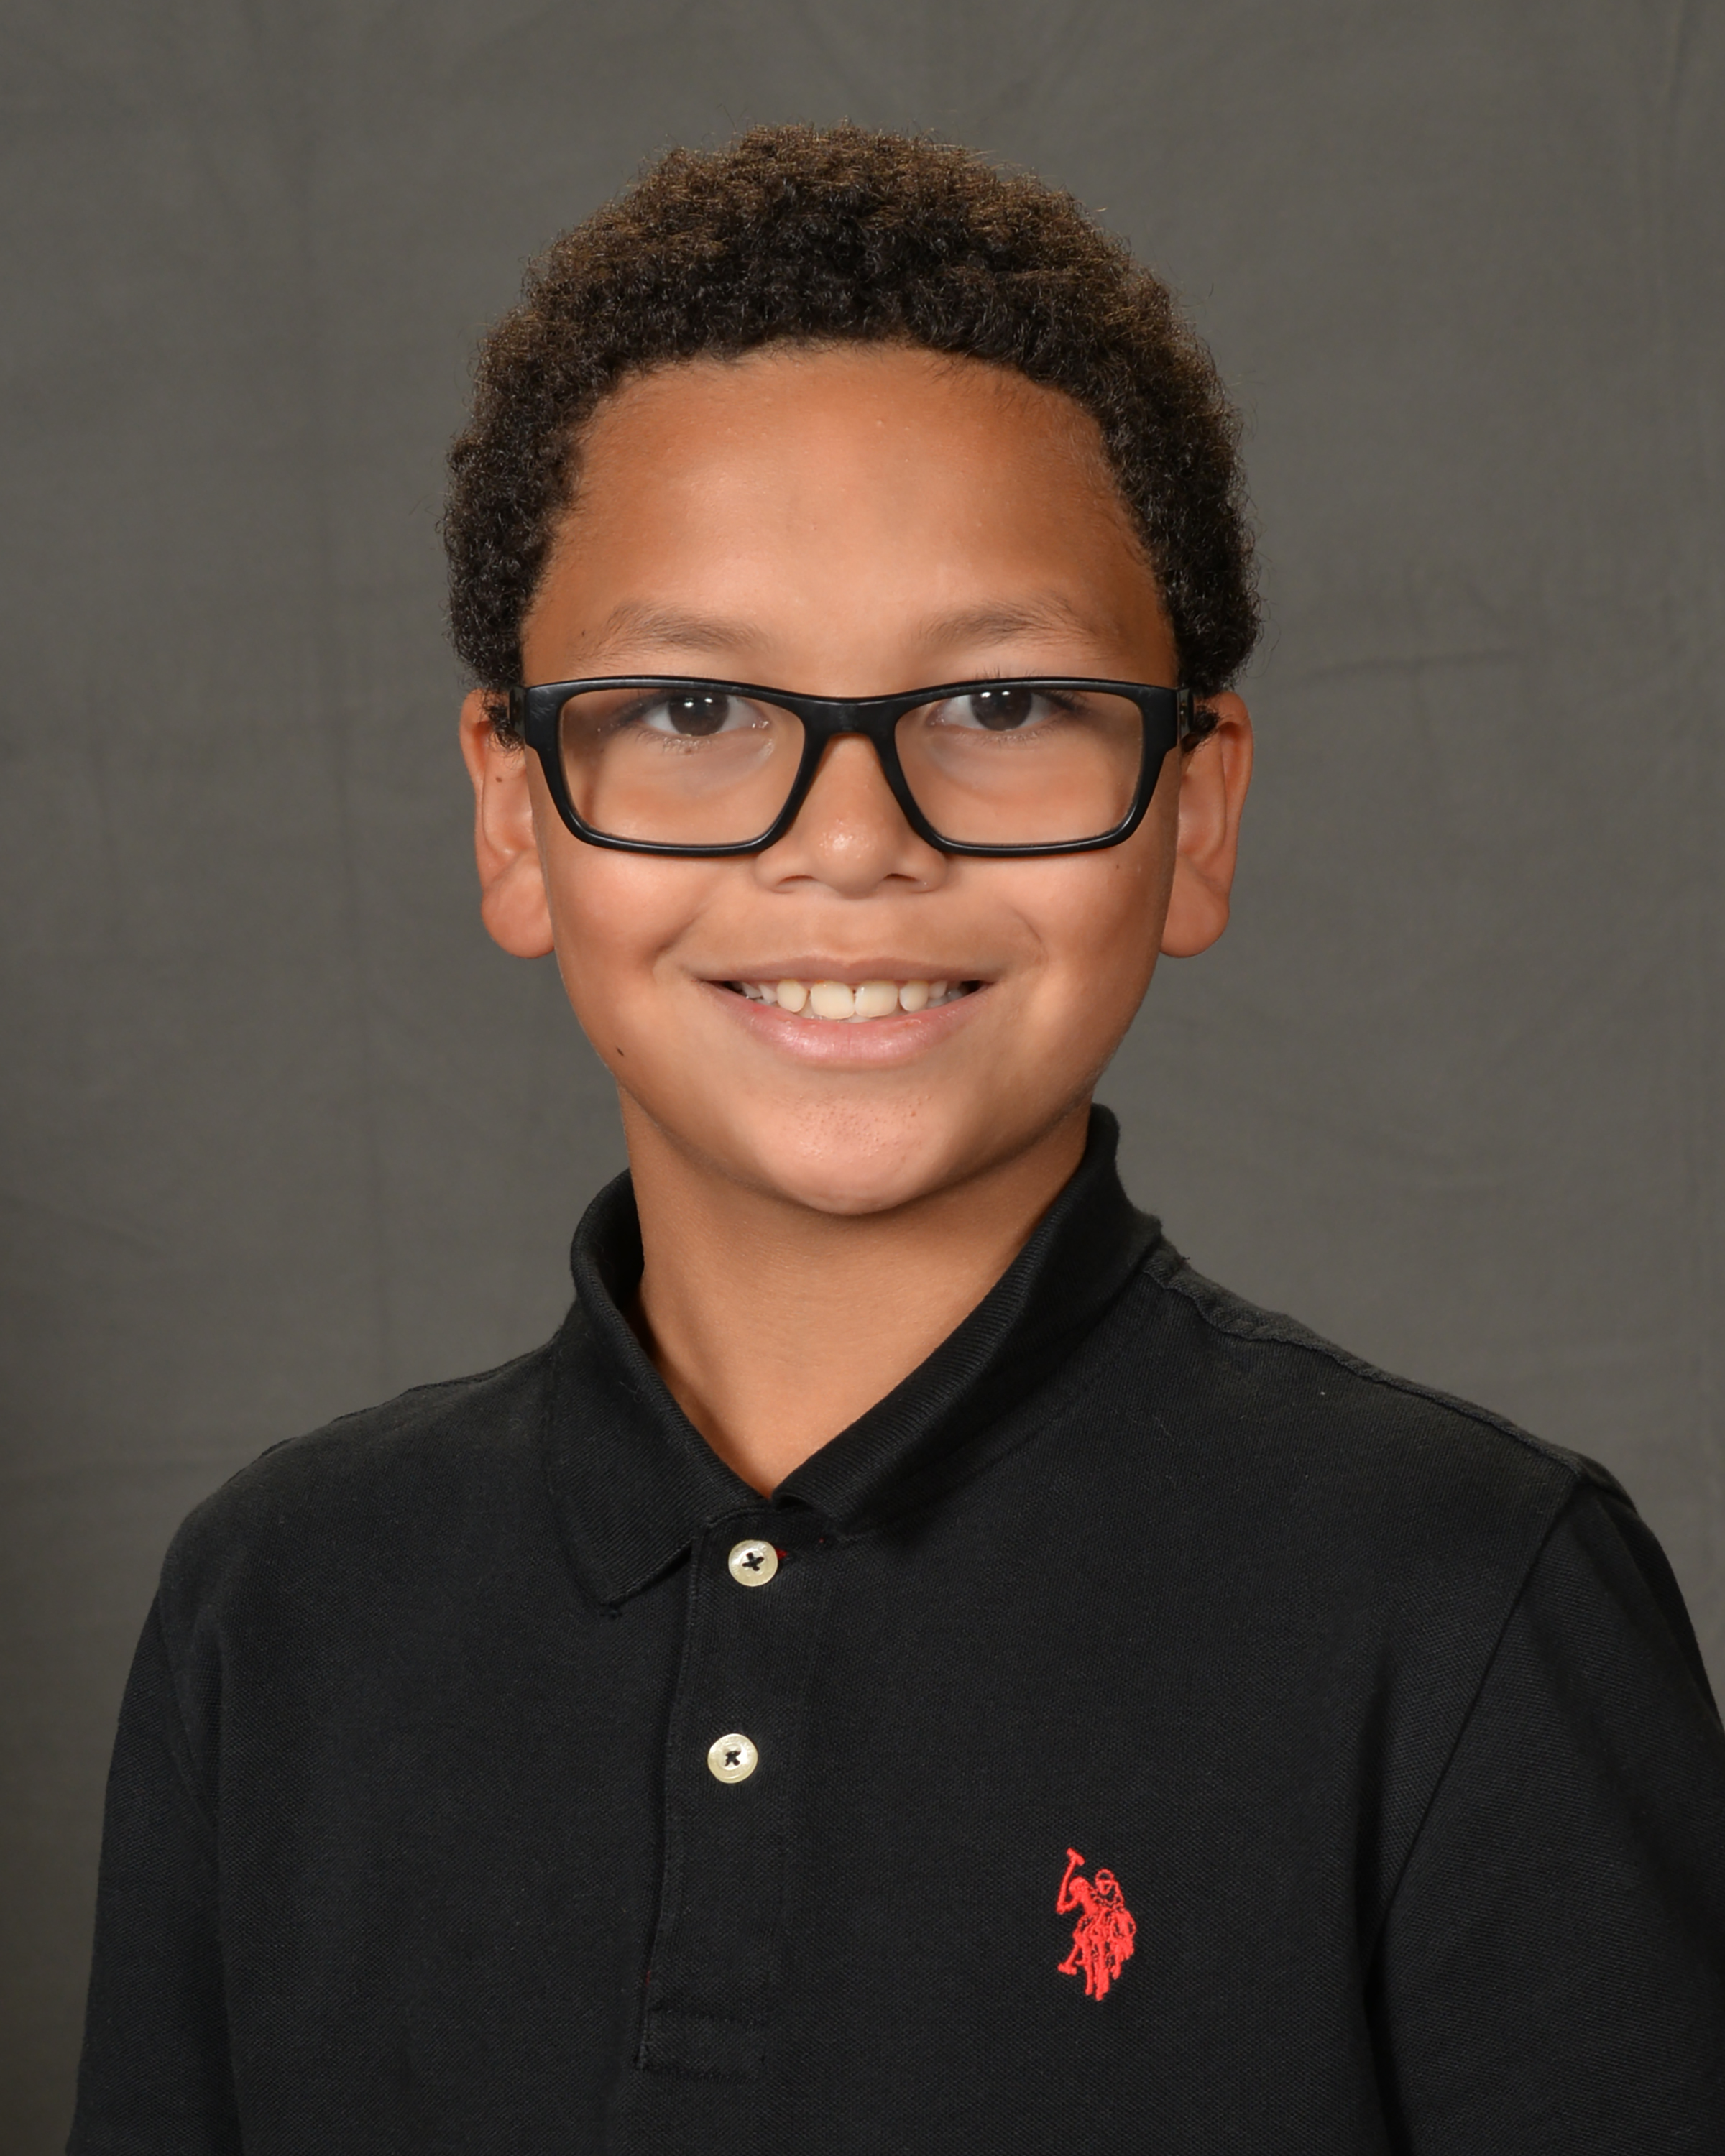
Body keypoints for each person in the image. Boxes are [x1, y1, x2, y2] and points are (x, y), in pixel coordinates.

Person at [70, 125, 1725, 2155]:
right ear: (512, 811)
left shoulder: (1468, 1604)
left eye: (1004, 706)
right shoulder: (282, 1609)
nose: (852, 845)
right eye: (693, 711)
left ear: (1196, 811)